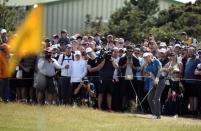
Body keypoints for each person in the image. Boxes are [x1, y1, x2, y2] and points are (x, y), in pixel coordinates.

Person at [143, 52, 166, 119]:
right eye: (144, 58)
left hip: (161, 80)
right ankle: (154, 114)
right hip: (154, 81)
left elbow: (160, 69)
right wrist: (154, 80)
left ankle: (158, 115)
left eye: (147, 57)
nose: (146, 59)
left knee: (156, 98)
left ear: (150, 56)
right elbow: (151, 74)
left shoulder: (156, 61)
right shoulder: (147, 66)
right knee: (149, 98)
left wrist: (157, 78)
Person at [118, 45, 140, 111]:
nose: (130, 52)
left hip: (132, 78)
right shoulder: (122, 58)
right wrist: (126, 64)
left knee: (132, 93)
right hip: (124, 78)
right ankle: (123, 107)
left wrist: (132, 65)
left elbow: (138, 69)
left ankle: (131, 108)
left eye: (131, 51)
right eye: (128, 51)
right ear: (126, 51)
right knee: (123, 93)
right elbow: (119, 68)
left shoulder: (135, 59)